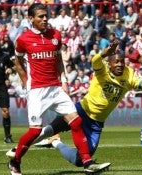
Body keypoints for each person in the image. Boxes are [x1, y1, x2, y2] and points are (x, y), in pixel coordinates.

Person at [7, 39, 142, 169]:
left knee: (79, 160)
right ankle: (18, 150)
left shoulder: (129, 75)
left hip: (97, 123)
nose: (120, 64)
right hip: (82, 110)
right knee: (51, 127)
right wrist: (104, 53)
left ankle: (55, 143)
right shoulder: (102, 70)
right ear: (110, 64)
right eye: (116, 62)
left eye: (122, 62)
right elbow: (95, 62)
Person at [7, 3, 110, 175]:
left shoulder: (55, 35)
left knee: (76, 122)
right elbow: (17, 60)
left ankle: (87, 162)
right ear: (31, 19)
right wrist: (25, 79)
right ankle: (15, 162)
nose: (45, 18)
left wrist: (63, 80)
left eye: (46, 15)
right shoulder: (23, 39)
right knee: (34, 131)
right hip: (37, 90)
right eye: (40, 16)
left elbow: (58, 59)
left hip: (55, 88)